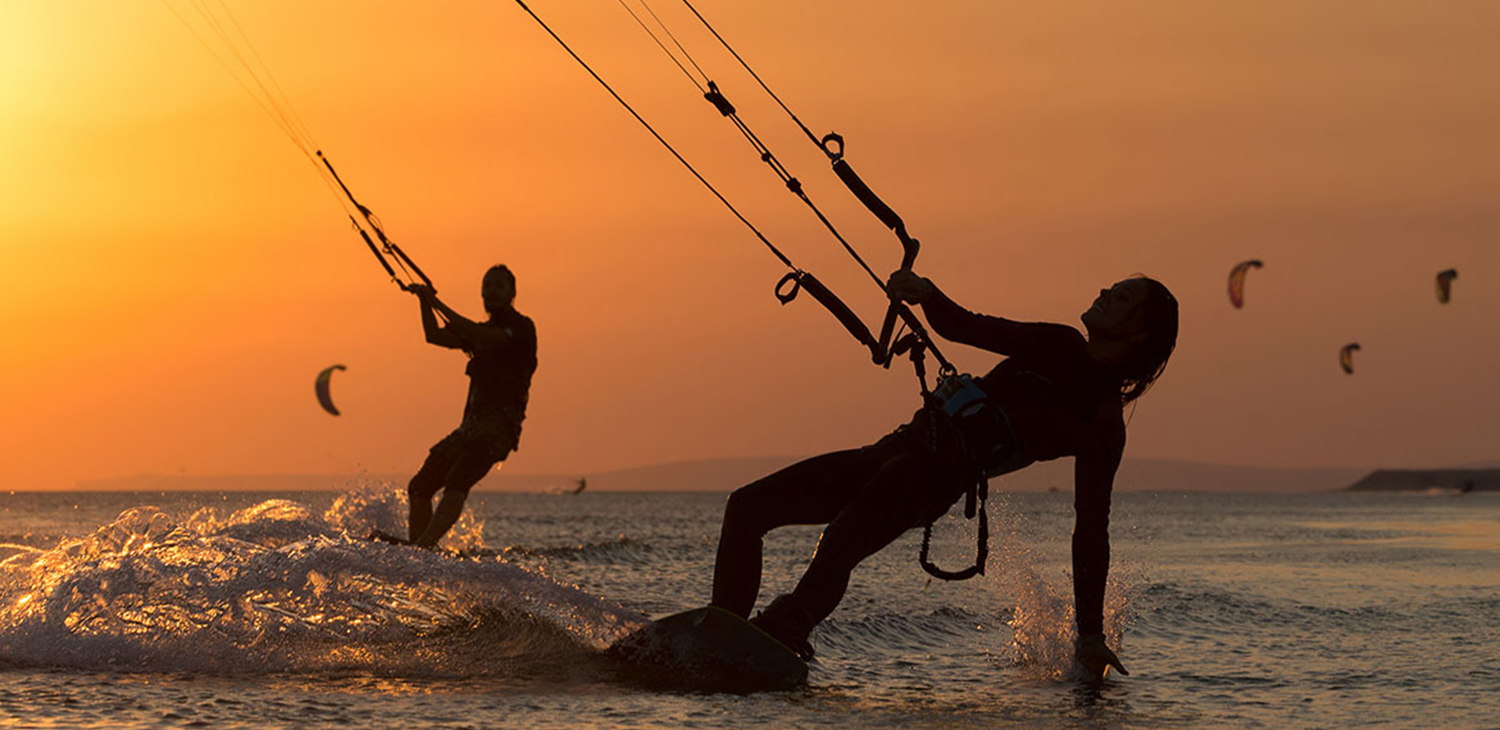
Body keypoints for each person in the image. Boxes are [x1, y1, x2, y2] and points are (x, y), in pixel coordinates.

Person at [710, 270, 1177, 680]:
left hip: (930, 478)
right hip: (897, 448)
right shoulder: (1059, 344)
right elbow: (968, 327)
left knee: (841, 541)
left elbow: (1091, 529)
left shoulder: (1101, 421)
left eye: (1119, 297)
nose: (1103, 291)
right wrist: (926, 295)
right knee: (748, 507)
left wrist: (1090, 633)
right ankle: (713, 635)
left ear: (1137, 331)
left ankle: (773, 637)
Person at [401, 264, 537, 548]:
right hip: (470, 428)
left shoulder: (522, 328)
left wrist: (437, 301)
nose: (491, 292)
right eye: (487, 286)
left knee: (457, 481)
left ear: (512, 293)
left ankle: (424, 546)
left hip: (498, 429)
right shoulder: (479, 331)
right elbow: (434, 335)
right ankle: (420, 552)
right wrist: (424, 302)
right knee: (420, 486)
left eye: (498, 286)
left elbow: (482, 335)